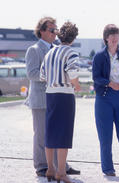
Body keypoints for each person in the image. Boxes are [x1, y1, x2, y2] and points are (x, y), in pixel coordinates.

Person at [25, 17, 80, 177]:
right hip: (41, 99)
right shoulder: (34, 50)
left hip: (55, 98)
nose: (55, 33)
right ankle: (42, 166)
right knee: (42, 135)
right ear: (41, 31)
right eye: (51, 30)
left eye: (56, 29)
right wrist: (54, 78)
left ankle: (60, 167)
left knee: (58, 133)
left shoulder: (57, 49)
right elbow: (31, 73)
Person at [92, 24, 119, 176]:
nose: (114, 38)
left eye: (116, 35)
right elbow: (96, 77)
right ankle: (108, 169)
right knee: (105, 136)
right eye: (111, 36)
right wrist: (110, 84)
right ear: (106, 38)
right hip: (104, 98)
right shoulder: (99, 56)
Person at [40, 21, 80, 183]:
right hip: (65, 95)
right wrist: (77, 86)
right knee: (63, 133)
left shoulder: (50, 53)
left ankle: (50, 169)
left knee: (50, 131)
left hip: (50, 94)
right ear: (73, 37)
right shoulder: (71, 53)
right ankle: (61, 172)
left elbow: (42, 76)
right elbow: (72, 73)